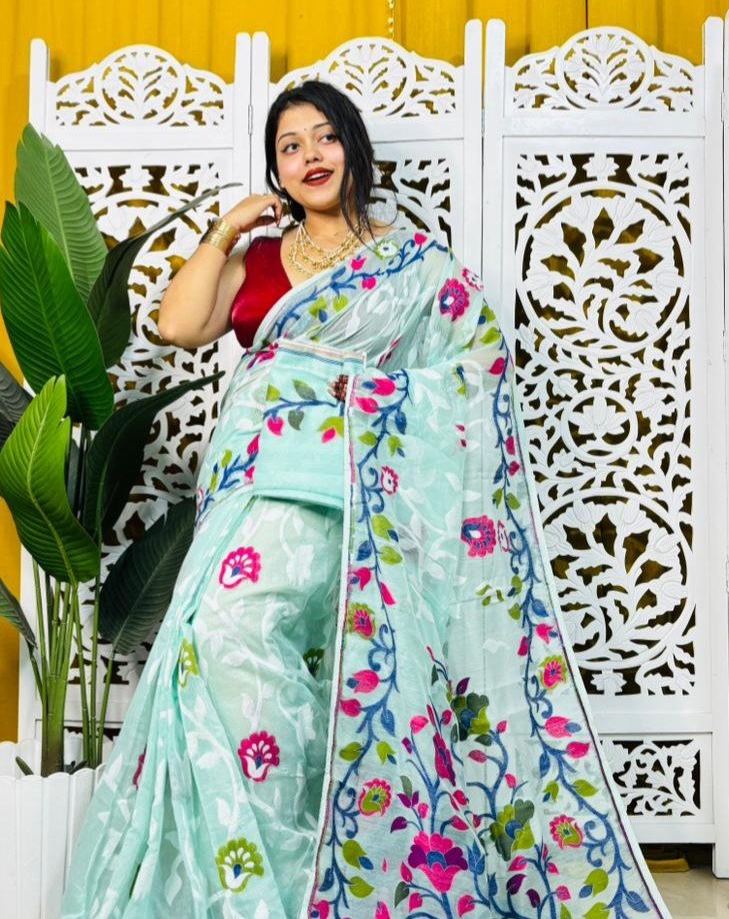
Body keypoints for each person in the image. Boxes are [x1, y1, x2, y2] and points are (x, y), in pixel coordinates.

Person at [61, 81, 670, 919]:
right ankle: (260, 872)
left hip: (361, 497)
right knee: (219, 649)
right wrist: (226, 230)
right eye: (289, 146)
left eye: (324, 137)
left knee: (337, 680)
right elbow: (178, 326)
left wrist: (365, 399)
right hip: (255, 483)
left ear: (353, 148)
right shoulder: (260, 258)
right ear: (275, 169)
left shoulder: (415, 267)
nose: (309, 156)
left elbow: (478, 369)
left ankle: (337, 874)